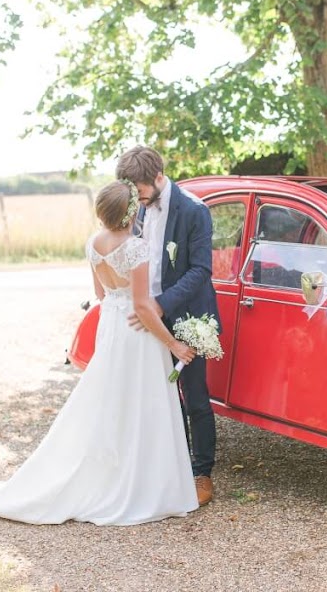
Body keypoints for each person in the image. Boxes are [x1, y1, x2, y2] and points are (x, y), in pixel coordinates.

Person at [0, 181, 198, 525]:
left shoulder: (93, 244)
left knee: (111, 401)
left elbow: (102, 294)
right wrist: (173, 344)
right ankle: (137, 484)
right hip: (136, 334)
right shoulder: (135, 249)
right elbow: (141, 306)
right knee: (140, 402)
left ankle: (111, 471)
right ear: (130, 213)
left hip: (111, 327)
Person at [116, 145, 219, 507]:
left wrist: (160, 305)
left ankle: (201, 472)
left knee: (196, 399)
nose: (139, 202)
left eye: (142, 192)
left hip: (188, 315)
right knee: (157, 395)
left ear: (158, 177)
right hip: (149, 317)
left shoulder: (194, 210)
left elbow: (201, 270)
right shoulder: (138, 208)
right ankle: (166, 467)